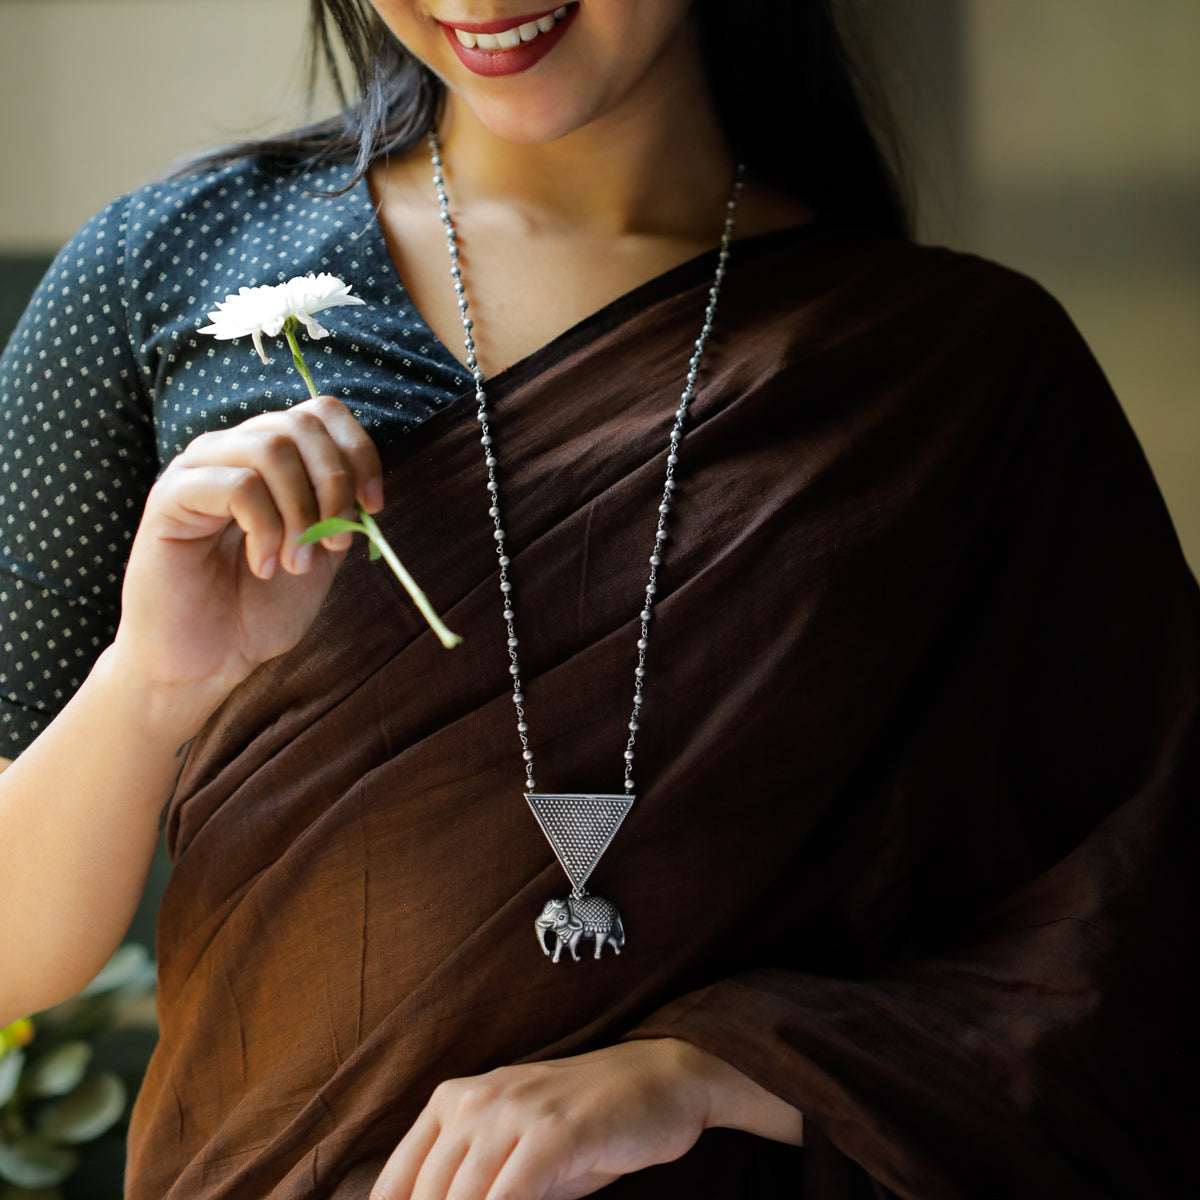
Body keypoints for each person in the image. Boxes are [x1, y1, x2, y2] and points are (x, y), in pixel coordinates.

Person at [1, 1, 1196, 1197]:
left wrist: (722, 1069)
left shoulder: (957, 370)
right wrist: (149, 684)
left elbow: (1138, 936)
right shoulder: (166, 271)